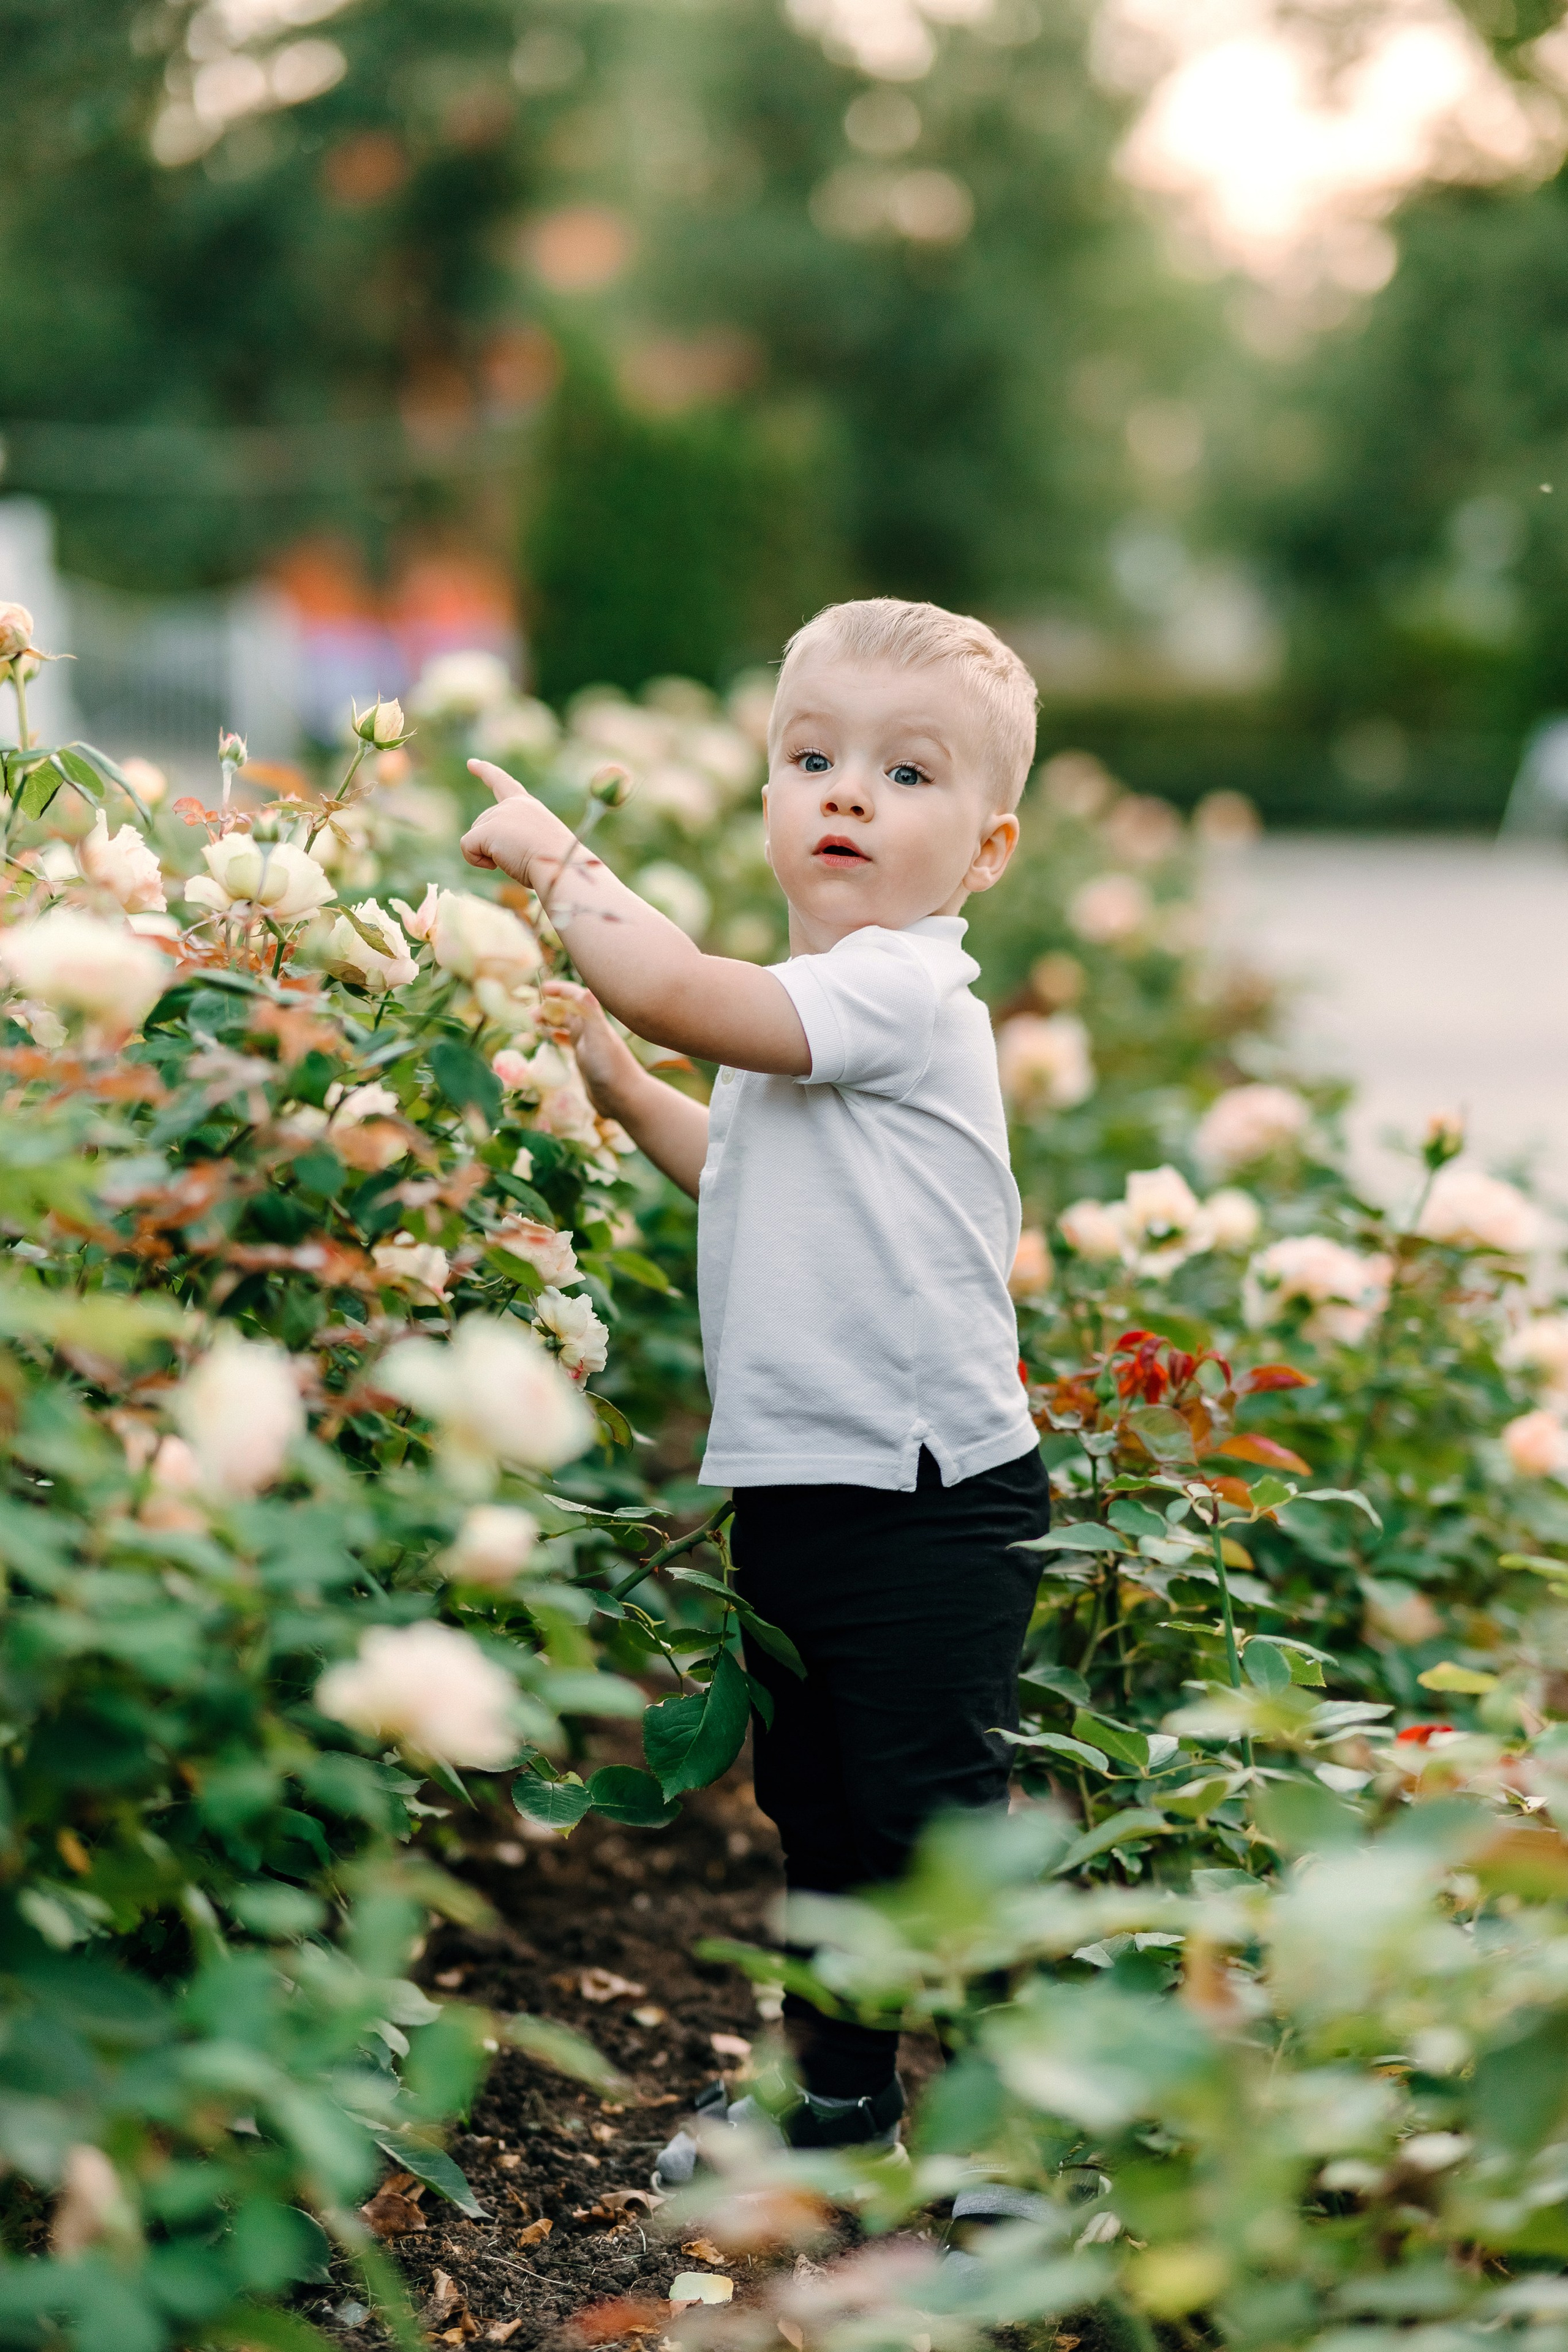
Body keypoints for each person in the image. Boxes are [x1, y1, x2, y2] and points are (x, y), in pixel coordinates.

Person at [461, 596, 1050, 2162]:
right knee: (827, 1824)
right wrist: (627, 1086)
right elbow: (740, 1175)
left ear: (985, 853)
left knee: (933, 1833)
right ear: (772, 792)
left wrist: (558, 861)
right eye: (813, 756)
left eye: (906, 774)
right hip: (803, 1489)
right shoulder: (811, 1013)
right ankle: (843, 2104)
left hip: (929, 1502)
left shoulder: (900, 990)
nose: (848, 792)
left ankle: (1030, 2144)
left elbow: (674, 979)